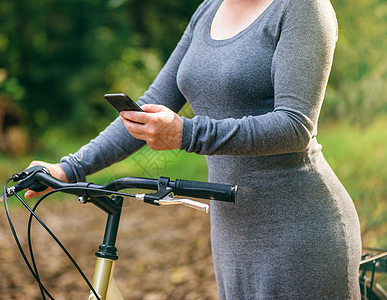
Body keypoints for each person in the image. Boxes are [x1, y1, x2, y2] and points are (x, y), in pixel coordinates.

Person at [25, 0, 362, 298]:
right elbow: (144, 110)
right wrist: (70, 168)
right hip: (233, 232)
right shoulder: (208, 10)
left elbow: (294, 127)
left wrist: (187, 133)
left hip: (298, 230)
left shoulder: (303, 8)